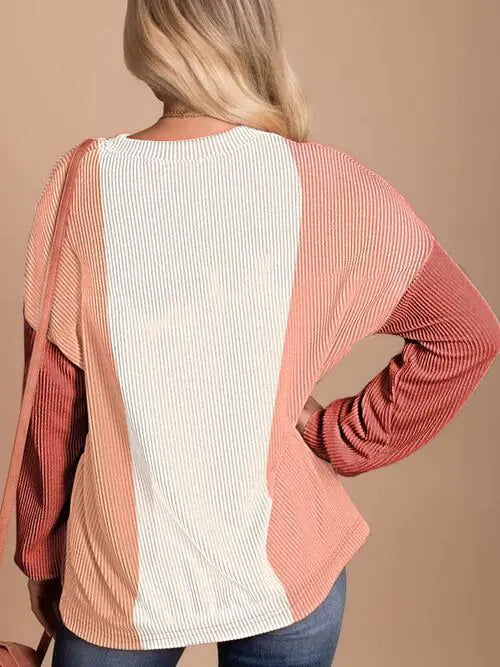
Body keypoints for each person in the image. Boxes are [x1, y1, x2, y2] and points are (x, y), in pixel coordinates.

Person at [14, 1, 499, 666]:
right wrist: (339, 435)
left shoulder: (83, 184)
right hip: (288, 565)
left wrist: (43, 557)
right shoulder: (328, 183)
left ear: (148, 37)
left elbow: (51, 407)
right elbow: (467, 332)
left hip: (123, 576)